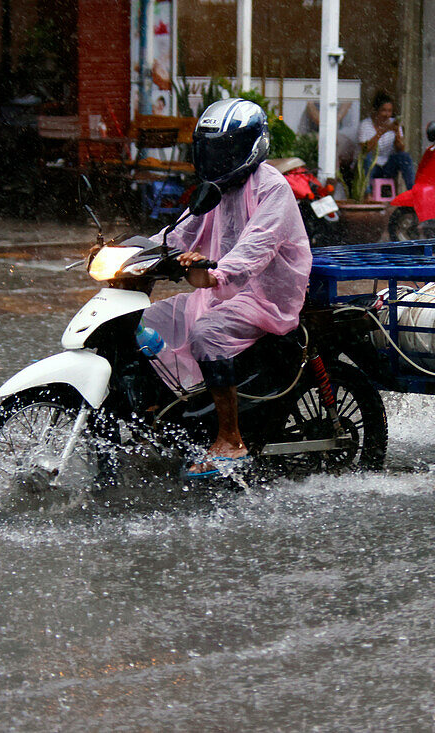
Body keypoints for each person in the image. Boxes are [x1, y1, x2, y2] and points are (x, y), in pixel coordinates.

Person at [141, 98, 312, 477]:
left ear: (251, 147)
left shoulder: (273, 189)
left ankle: (231, 439)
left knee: (207, 333)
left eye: (226, 150)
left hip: (264, 297)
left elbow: (255, 247)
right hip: (219, 290)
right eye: (212, 150)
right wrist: (132, 255)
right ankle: (159, 411)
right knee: (145, 322)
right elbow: (177, 233)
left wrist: (216, 272)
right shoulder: (213, 189)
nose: (217, 159)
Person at [357, 91, 416, 191]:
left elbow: (401, 149)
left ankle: (413, 192)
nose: (387, 114)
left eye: (389, 111)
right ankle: (367, 193)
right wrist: (381, 132)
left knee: (404, 157)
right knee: (366, 158)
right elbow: (365, 150)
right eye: (383, 111)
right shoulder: (365, 125)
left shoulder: (394, 124)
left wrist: (397, 132)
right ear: (376, 111)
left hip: (387, 167)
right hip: (372, 167)